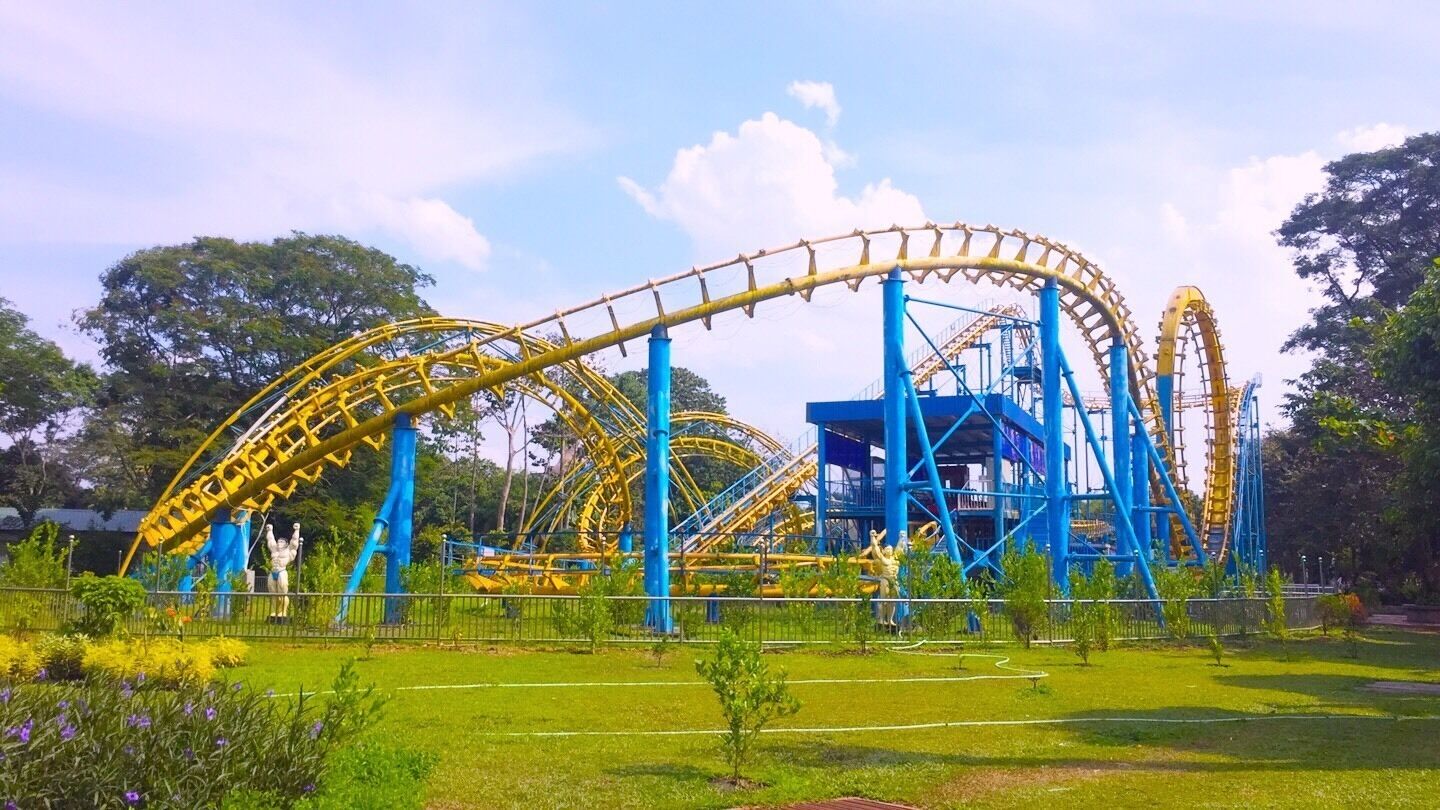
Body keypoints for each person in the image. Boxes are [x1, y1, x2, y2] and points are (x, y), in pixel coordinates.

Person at [266, 523, 302, 618]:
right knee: (273, 593)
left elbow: (294, 542)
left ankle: (283, 611)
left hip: (282, 572)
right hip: (273, 571)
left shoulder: (288, 550)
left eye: (282, 542)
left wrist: (297, 530)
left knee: (282, 593)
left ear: (286, 544)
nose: (279, 543)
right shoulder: (274, 550)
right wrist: (270, 530)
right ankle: (276, 611)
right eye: (278, 541)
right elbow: (270, 540)